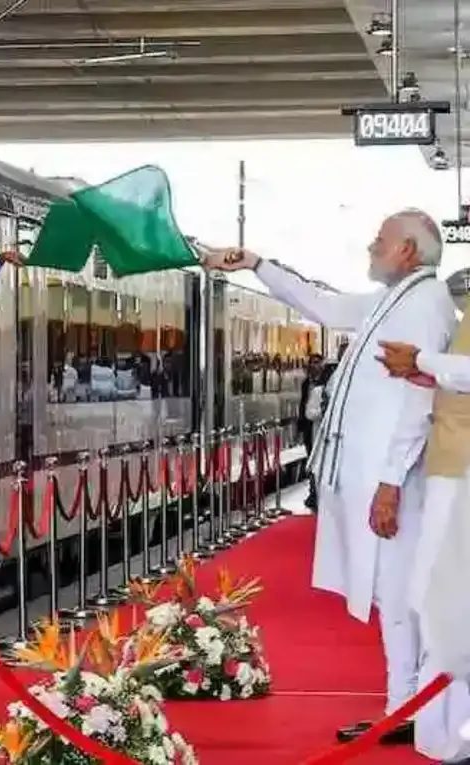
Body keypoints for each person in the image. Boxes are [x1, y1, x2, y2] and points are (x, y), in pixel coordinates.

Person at [204, 209, 456, 747]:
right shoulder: (398, 298)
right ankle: (403, 705)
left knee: (397, 593)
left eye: (381, 239)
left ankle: (406, 707)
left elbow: (419, 397)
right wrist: (257, 264)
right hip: (377, 474)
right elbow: (323, 304)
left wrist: (390, 481)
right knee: (389, 594)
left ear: (408, 250)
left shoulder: (424, 303)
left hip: (394, 477)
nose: (371, 245)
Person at [377, 317, 470, 763]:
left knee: (442, 602)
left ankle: (452, 737)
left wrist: (423, 360)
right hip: (452, 467)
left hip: (459, 472)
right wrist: (431, 373)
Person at [298, 353, 330, 510]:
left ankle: (319, 493)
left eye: (317, 362)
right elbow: (305, 407)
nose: (314, 365)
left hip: (324, 432)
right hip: (311, 429)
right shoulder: (308, 385)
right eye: (312, 362)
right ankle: (313, 491)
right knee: (312, 460)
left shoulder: (326, 386)